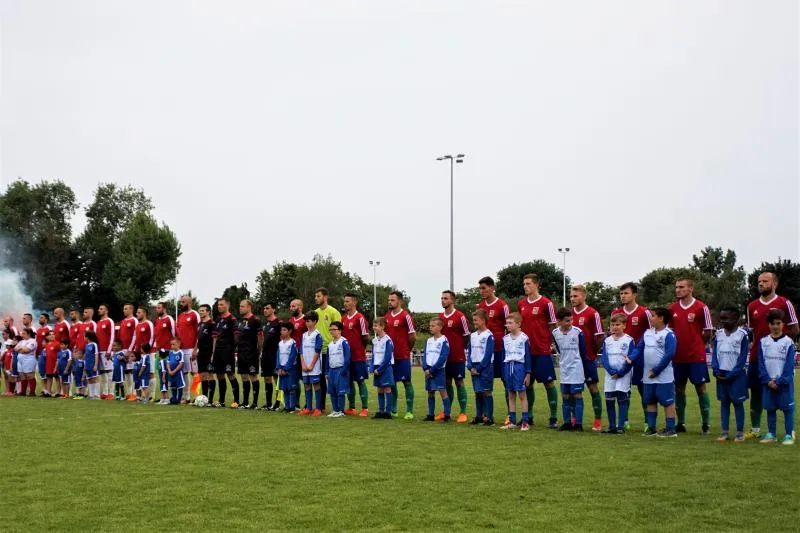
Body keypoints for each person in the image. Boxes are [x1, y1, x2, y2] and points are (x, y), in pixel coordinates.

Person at [746, 272, 798, 439]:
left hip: (781, 359)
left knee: (784, 392)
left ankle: (789, 431)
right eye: (759, 281)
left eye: (765, 281)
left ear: (774, 284)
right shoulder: (752, 306)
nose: (760, 284)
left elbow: (795, 328)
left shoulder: (785, 303)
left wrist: (781, 344)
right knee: (756, 392)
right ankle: (755, 430)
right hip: (758, 357)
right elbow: (753, 333)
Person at [669, 278, 714, 434]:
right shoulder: (672, 309)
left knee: (701, 388)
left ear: (690, 289)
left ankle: (706, 424)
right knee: (679, 389)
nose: (678, 290)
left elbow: (708, 330)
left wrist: (698, 344)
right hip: (678, 357)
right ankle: (680, 423)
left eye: (681, 287)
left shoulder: (702, 307)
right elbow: (670, 332)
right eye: (676, 287)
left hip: (696, 357)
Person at [517, 273, 558, 428]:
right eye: (524, 284)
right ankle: (529, 416)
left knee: (548, 383)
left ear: (536, 285)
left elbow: (553, 326)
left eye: (528, 284)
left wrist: (552, 344)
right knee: (527, 384)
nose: (525, 286)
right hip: (526, 352)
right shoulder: (521, 304)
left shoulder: (546, 303)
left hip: (542, 350)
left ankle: (553, 417)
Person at [629, 308, 678, 438]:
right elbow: (639, 348)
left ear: (661, 318)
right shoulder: (647, 333)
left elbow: (669, 354)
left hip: (663, 376)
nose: (651, 318)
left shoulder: (669, 334)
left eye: (653, 316)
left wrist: (657, 370)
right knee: (650, 400)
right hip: (647, 375)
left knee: (667, 402)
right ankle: (651, 428)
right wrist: (631, 357)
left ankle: (670, 429)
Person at [611, 282, 652, 430]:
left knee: (643, 389)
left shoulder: (644, 312)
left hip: (641, 357)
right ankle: (624, 420)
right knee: (622, 390)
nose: (623, 296)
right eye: (621, 293)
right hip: (622, 358)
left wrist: (638, 351)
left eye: (626, 293)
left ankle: (648, 422)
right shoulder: (616, 313)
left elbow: (650, 333)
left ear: (634, 295)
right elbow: (613, 334)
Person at [757, 309, 796, 445]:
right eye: (772, 323)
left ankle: (789, 435)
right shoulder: (763, 342)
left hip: (784, 383)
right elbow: (761, 363)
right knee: (770, 408)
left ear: (783, 324)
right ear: (768, 325)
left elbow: (790, 365)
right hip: (768, 382)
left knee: (787, 409)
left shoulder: (788, 343)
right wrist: (767, 380)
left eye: (778, 323)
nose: (775, 326)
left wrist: (780, 381)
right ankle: (771, 434)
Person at [570, 284, 605, 431]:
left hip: (587, 358)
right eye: (571, 296)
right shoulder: (569, 315)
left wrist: (592, 353)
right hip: (572, 359)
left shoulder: (592, 313)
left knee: (592, 387)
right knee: (572, 390)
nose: (572, 299)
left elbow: (599, 336)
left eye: (575, 296)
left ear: (584, 296)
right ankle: (574, 420)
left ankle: (597, 420)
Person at [712, 307, 750, 442]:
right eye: (721, 318)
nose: (722, 321)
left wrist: (732, 374)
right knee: (724, 403)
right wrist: (716, 370)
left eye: (725, 318)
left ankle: (740, 432)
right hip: (721, 374)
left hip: (736, 376)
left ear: (735, 319)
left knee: (738, 403)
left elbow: (742, 358)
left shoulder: (742, 335)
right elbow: (714, 354)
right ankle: (724, 432)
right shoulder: (718, 334)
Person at [552, 308, 589, 431]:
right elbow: (559, 350)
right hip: (564, 369)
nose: (570, 322)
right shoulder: (555, 333)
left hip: (576, 368)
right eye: (567, 321)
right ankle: (567, 423)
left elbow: (583, 352)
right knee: (565, 396)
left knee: (577, 395)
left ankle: (578, 424)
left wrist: (585, 369)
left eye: (571, 320)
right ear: (559, 321)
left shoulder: (578, 332)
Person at [477, 276, 510, 408]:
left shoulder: (502, 305)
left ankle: (510, 414)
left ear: (492, 288)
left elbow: (509, 327)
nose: (481, 291)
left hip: (499, 349)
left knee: (505, 380)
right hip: (484, 352)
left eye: (483, 288)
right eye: (480, 288)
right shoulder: (480, 306)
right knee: (484, 380)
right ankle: (485, 414)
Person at [439, 290, 471, 423]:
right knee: (446, 383)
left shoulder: (460, 316)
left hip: (457, 356)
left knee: (459, 382)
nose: (443, 300)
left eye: (445, 298)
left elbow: (467, 336)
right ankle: (447, 412)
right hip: (444, 358)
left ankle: (463, 412)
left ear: (452, 300)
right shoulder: (440, 317)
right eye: (441, 298)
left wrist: (459, 349)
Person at [599, 314, 635, 434]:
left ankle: (620, 426)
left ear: (624, 325)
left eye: (618, 324)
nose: (615, 327)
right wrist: (611, 371)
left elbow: (631, 358)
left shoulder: (629, 340)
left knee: (622, 400)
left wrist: (620, 373)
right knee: (609, 400)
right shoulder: (607, 340)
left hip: (623, 375)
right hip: (610, 375)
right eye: (612, 325)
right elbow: (604, 358)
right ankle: (611, 426)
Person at [385, 291, 416, 419]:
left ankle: (409, 411)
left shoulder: (405, 316)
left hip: (402, 355)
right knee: (392, 383)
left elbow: (412, 336)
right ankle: (393, 409)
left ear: (399, 301)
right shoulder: (386, 317)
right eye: (389, 300)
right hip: (390, 357)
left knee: (406, 382)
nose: (390, 302)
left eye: (392, 300)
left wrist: (406, 349)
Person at [500, 313, 532, 431]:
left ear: (518, 324)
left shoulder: (524, 338)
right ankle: (512, 421)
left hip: (520, 367)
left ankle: (525, 421)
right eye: (506, 323)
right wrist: (504, 372)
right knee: (511, 394)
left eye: (510, 323)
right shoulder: (505, 339)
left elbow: (528, 357)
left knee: (522, 395)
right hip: (508, 367)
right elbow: (503, 356)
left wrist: (528, 373)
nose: (507, 325)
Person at [341, 293, 370, 417]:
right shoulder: (343, 318)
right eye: (345, 301)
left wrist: (360, 349)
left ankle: (365, 408)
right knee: (349, 382)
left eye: (347, 301)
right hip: (346, 357)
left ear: (354, 302)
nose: (345, 303)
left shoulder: (360, 318)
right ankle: (352, 407)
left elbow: (365, 337)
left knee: (360, 381)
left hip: (358, 356)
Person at [314, 287, 342, 411]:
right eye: (315, 296)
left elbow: (339, 330)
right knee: (319, 379)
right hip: (317, 351)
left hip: (330, 350)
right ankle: (321, 405)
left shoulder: (333, 312)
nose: (316, 298)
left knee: (331, 378)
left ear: (325, 297)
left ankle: (337, 407)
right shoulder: (315, 313)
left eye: (318, 296)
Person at [467, 309, 494, 425]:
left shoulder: (489, 335)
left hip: (485, 367)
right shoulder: (472, 336)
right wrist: (470, 366)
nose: (474, 322)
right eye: (473, 320)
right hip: (474, 366)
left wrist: (479, 368)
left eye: (476, 320)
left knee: (486, 392)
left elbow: (488, 354)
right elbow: (469, 352)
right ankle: (479, 416)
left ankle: (489, 417)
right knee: (478, 392)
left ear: (483, 320)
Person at [211, 299, 240, 408]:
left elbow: (237, 335)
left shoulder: (232, 319)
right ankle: (221, 401)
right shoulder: (217, 319)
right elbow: (215, 336)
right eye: (218, 305)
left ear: (227, 306)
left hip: (227, 351)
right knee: (219, 375)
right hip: (218, 351)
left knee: (230, 374)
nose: (219, 306)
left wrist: (232, 348)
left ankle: (236, 401)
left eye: (221, 305)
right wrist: (213, 352)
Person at [421, 317, 450, 422]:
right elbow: (425, 355)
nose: (430, 328)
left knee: (442, 391)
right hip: (428, 370)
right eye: (430, 326)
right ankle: (430, 414)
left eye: (433, 326)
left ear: (440, 327)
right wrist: (425, 367)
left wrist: (432, 370)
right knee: (430, 391)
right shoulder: (428, 340)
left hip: (438, 370)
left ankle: (446, 414)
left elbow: (443, 357)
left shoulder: (444, 340)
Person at [236, 300, 262, 409]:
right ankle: (245, 402)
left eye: (242, 306)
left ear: (249, 307)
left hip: (251, 353)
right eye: (240, 306)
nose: (240, 308)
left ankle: (255, 403)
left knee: (253, 376)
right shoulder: (242, 321)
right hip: (241, 353)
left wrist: (259, 350)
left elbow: (260, 336)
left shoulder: (255, 320)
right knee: (243, 376)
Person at [299, 311, 323, 416]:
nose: (307, 323)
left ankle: (318, 408)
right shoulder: (303, 335)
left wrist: (312, 364)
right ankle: (308, 408)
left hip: (314, 365)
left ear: (314, 321)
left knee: (316, 385)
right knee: (307, 385)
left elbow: (317, 351)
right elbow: (301, 351)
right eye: (306, 321)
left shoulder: (318, 335)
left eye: (309, 321)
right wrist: (303, 364)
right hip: (305, 365)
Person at [177, 296, 200, 403]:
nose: (181, 304)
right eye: (180, 302)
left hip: (192, 348)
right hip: (182, 349)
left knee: (194, 372)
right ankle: (187, 397)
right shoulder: (180, 316)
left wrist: (196, 348)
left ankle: (197, 395)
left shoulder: (194, 314)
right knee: (184, 373)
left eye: (183, 302)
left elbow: (199, 332)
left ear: (189, 303)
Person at [371, 316, 396, 420]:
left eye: (376, 325)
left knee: (387, 388)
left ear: (382, 327)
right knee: (379, 389)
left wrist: (380, 369)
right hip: (377, 367)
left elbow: (387, 357)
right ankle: (381, 411)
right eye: (373, 325)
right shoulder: (374, 340)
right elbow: (373, 355)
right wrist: (372, 367)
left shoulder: (388, 340)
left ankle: (388, 412)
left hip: (385, 367)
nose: (374, 327)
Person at [259, 303, 282, 411]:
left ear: (274, 309)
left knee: (276, 379)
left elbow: (283, 339)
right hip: (265, 355)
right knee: (267, 378)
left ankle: (277, 404)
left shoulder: (279, 323)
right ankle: (268, 404)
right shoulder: (264, 324)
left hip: (275, 354)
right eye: (264, 308)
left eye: (267, 308)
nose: (265, 310)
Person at [326, 321, 350, 417]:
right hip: (332, 370)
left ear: (340, 330)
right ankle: (335, 410)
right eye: (330, 329)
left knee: (340, 391)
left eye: (334, 329)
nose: (332, 331)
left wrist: (344, 370)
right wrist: (327, 371)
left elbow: (347, 357)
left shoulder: (343, 342)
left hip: (340, 369)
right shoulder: (330, 344)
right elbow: (328, 358)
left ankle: (341, 411)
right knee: (332, 391)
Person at [194, 304, 216, 404]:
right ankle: (204, 398)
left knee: (210, 375)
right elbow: (198, 339)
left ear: (208, 312)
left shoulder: (212, 324)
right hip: (201, 353)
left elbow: (215, 339)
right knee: (202, 375)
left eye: (203, 310)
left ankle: (210, 400)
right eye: (200, 310)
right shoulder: (199, 324)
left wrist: (213, 353)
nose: (201, 312)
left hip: (208, 352)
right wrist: (195, 350)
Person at [153, 302, 176, 402]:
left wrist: (173, 349)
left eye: (159, 308)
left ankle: (170, 396)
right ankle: (164, 396)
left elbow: (175, 334)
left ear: (164, 309)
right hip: (159, 352)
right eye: (156, 308)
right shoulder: (157, 320)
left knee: (167, 374)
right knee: (160, 373)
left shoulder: (169, 319)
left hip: (168, 351)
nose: (157, 310)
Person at [132, 307, 155, 401]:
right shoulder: (137, 325)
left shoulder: (148, 323)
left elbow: (152, 337)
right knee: (140, 373)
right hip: (139, 353)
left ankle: (151, 396)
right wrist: (134, 350)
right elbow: (135, 339)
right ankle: (142, 395)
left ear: (144, 313)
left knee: (151, 373)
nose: (137, 314)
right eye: (136, 312)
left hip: (149, 353)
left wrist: (148, 351)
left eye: (139, 312)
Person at [276, 322, 299, 413]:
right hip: (281, 369)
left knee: (291, 388)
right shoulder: (280, 343)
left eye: (284, 330)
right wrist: (279, 368)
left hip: (290, 369)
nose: (282, 332)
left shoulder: (293, 343)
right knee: (284, 388)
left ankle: (292, 407)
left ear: (290, 331)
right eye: (281, 330)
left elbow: (292, 357)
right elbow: (278, 356)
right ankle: (287, 406)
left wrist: (286, 368)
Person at [118, 304, 138, 400]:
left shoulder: (134, 320)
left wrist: (130, 350)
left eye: (126, 309)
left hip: (131, 350)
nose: (124, 311)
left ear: (131, 309)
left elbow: (135, 336)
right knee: (126, 372)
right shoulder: (122, 322)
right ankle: (129, 392)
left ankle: (134, 393)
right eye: (123, 309)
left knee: (132, 371)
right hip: (123, 349)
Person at [95, 304, 115, 400]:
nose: (99, 310)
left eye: (101, 309)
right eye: (99, 308)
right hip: (99, 351)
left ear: (106, 311)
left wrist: (109, 350)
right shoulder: (98, 323)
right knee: (102, 372)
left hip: (107, 351)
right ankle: (104, 392)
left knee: (109, 371)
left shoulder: (109, 321)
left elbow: (112, 336)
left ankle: (111, 393)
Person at [289, 299, 307, 400]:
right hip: (293, 354)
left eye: (293, 306)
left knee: (304, 379)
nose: (291, 308)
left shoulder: (305, 320)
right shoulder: (291, 321)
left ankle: (307, 404)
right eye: (290, 306)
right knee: (294, 379)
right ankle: (295, 404)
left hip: (303, 354)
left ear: (300, 308)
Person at [15, 328, 38, 396]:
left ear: (29, 334)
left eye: (24, 333)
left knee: (29, 375)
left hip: (28, 360)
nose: (22, 335)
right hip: (20, 360)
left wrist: (21, 349)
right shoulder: (21, 341)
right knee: (22, 375)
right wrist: (21, 349)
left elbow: (27, 350)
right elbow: (15, 349)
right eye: (22, 333)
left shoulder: (32, 341)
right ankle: (23, 392)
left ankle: (32, 392)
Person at [167, 337, 186, 404]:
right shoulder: (170, 353)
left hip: (178, 373)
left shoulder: (180, 352)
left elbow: (181, 363)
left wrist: (174, 371)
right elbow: (168, 363)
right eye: (171, 344)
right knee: (173, 386)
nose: (172, 346)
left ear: (178, 344)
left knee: (179, 386)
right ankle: (174, 398)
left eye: (173, 344)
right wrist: (169, 370)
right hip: (171, 373)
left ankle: (179, 399)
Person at [84, 331, 101, 400]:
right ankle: (91, 395)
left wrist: (96, 365)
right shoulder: (86, 345)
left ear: (88, 337)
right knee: (89, 379)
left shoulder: (94, 344)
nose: (84, 338)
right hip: (87, 365)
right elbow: (86, 356)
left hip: (92, 364)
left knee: (95, 379)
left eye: (84, 336)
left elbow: (96, 355)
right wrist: (85, 365)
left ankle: (96, 395)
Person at [35, 313, 51, 389]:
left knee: (48, 372)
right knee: (41, 372)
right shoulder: (38, 330)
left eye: (41, 318)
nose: (40, 319)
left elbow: (51, 341)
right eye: (39, 317)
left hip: (47, 353)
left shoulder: (49, 329)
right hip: (39, 354)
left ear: (46, 319)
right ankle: (44, 390)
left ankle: (48, 390)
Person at [43, 330, 60, 397]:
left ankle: (59, 392)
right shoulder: (47, 345)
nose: (52, 335)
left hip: (55, 364)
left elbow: (59, 354)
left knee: (57, 378)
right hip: (48, 364)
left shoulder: (57, 344)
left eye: (53, 334)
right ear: (47, 337)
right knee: (49, 378)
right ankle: (48, 392)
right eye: (50, 334)